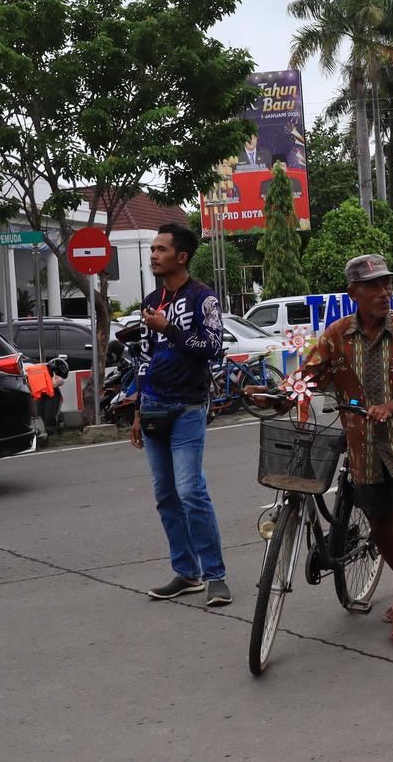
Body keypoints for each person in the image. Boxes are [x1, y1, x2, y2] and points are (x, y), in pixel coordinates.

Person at [293, 253, 393, 648]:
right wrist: (278, 394)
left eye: (386, 284)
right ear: (353, 292)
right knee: (378, 525)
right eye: (373, 285)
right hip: (363, 450)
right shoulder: (337, 335)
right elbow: (309, 375)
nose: (384, 292)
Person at [131, 224, 231, 607]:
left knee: (191, 490)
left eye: (161, 249)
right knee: (165, 495)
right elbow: (143, 357)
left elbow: (212, 348)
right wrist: (139, 409)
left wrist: (169, 328)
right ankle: (186, 572)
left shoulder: (202, 297)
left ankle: (215, 576)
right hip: (154, 407)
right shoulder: (151, 298)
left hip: (188, 406)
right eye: (152, 249)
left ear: (182, 256)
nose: (153, 255)